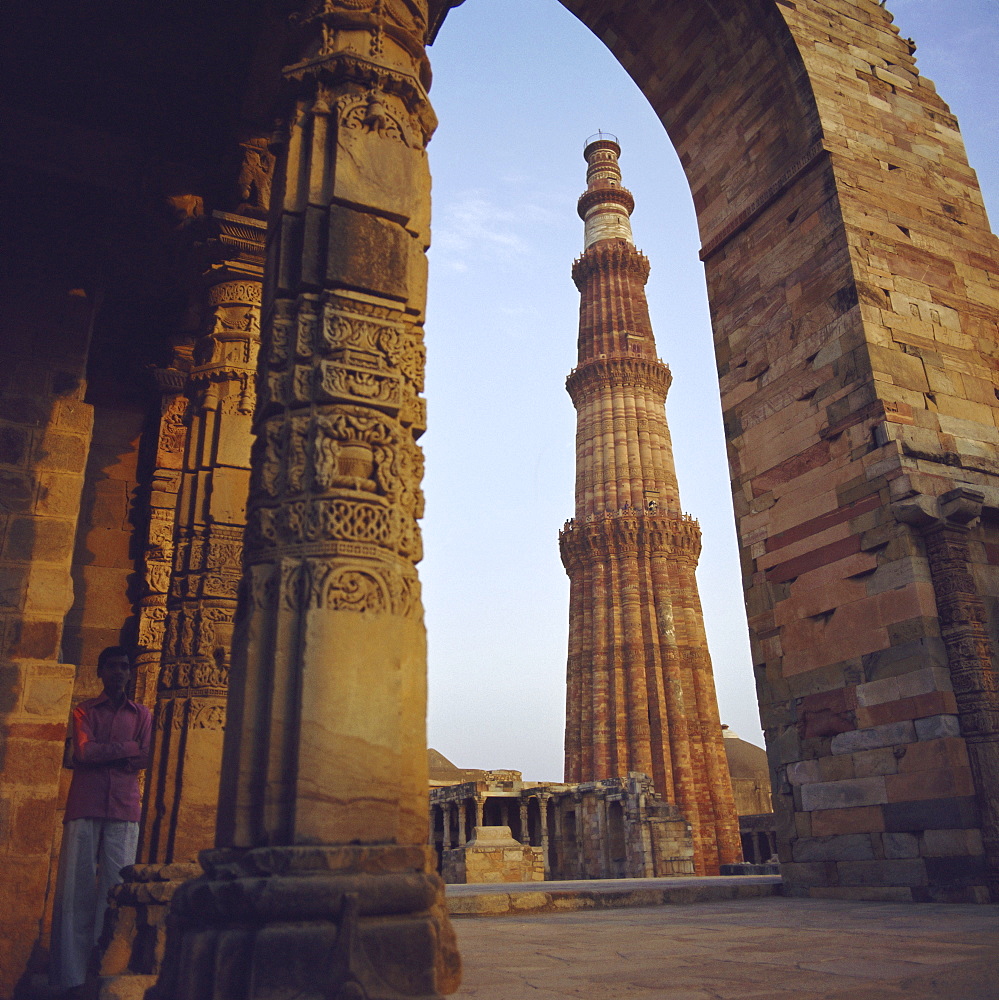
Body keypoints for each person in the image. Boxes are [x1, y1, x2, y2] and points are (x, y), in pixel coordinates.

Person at [49, 646, 152, 996]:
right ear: (101, 672)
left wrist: (109, 753)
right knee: (75, 891)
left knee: (116, 890)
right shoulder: (84, 711)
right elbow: (83, 752)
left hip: (124, 806)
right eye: (113, 667)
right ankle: (70, 977)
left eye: (124, 667)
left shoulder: (142, 714)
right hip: (86, 804)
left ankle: (108, 969)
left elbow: (147, 755)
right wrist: (125, 749)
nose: (119, 673)